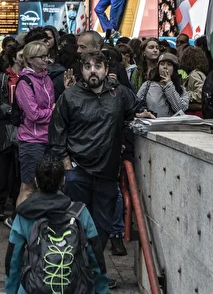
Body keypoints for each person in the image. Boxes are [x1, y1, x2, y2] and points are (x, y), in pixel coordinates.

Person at [48, 52, 148, 272]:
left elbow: (137, 109)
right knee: (74, 226)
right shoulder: (70, 96)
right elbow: (57, 132)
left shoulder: (119, 93)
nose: (92, 71)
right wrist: (66, 165)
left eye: (97, 66)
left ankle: (91, 272)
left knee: (102, 228)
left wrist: (142, 115)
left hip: (107, 173)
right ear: (81, 70)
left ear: (106, 69)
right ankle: (77, 273)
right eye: (87, 66)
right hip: (77, 172)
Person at [5, 155, 110, 294]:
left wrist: (11, 291)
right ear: (63, 180)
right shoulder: (80, 212)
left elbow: (13, 261)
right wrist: (103, 290)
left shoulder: (24, 214)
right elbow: (96, 257)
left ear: (36, 181)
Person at [15, 41, 54, 207]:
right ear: (30, 59)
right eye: (41, 56)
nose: (46, 59)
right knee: (28, 187)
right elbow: (33, 114)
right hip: (31, 141)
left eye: (47, 55)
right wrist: (53, 111)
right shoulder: (25, 82)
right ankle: (19, 220)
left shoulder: (47, 79)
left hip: (47, 139)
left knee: (42, 188)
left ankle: (36, 220)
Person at [0, 44, 23, 222]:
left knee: (19, 170)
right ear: (14, 58)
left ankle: (17, 202)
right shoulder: (1, 79)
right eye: (22, 55)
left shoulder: (29, 77)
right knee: (2, 168)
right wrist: (9, 110)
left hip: (23, 129)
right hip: (3, 129)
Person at [136, 53, 189, 117]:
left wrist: (169, 85)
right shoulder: (147, 85)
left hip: (172, 123)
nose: (165, 67)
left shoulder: (182, 90)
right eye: (162, 64)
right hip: (153, 122)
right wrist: (143, 113)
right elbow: (136, 105)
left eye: (169, 64)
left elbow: (180, 110)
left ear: (174, 69)